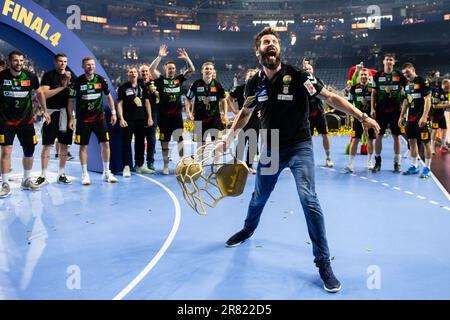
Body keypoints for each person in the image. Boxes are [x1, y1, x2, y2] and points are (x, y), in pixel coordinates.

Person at [220, 27, 380, 293]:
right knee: (259, 197)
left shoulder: (297, 76)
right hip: (270, 147)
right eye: (265, 42)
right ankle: (248, 230)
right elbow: (246, 114)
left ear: (279, 49)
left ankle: (323, 264)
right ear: (257, 51)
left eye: (274, 41)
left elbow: (330, 98)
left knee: (309, 198)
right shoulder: (254, 83)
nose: (270, 45)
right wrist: (228, 137)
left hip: (299, 146)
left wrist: (362, 117)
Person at [0, 51, 49, 197]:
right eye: (16, 60)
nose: (19, 63)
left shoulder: (31, 76)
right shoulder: (1, 77)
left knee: (29, 150)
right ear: (9, 62)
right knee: (6, 151)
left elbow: (39, 93)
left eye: (21, 60)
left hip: (26, 121)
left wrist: (45, 111)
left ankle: (26, 180)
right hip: (5, 120)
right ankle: (5, 183)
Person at [68, 57, 118, 185]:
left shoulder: (100, 80)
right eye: (88, 65)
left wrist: (113, 113)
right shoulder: (77, 82)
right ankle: (85, 174)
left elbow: (108, 96)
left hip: (99, 119)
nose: (91, 67)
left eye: (92, 64)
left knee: (105, 144)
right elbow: (71, 101)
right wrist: (71, 117)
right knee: (83, 146)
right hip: (83, 120)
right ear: (83, 66)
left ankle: (106, 172)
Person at [149, 45, 195, 174]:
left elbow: (192, 69)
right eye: (169, 68)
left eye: (173, 68)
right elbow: (151, 69)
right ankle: (165, 166)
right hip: (163, 117)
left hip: (177, 116)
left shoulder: (178, 79)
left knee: (180, 141)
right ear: (165, 69)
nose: (172, 70)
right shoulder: (160, 80)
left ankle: (181, 164)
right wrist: (160, 56)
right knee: (165, 142)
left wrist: (187, 58)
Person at [36, 53, 76, 186]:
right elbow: (43, 93)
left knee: (64, 145)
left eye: (65, 61)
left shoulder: (72, 78)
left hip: (66, 114)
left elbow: (71, 100)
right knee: (47, 144)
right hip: (51, 114)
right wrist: (62, 88)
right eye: (60, 61)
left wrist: (72, 118)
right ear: (55, 62)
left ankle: (61, 174)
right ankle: (43, 175)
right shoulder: (49, 76)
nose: (62, 63)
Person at [370, 53, 407, 173]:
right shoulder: (377, 75)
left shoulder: (399, 75)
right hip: (381, 112)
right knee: (378, 136)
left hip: (396, 111)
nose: (389, 61)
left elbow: (406, 90)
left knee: (397, 137)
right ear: (383, 62)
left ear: (394, 62)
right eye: (387, 59)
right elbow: (374, 93)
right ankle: (377, 162)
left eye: (391, 59)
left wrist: (404, 107)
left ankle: (397, 162)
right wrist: (372, 108)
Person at [117, 67, 153, 177]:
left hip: (141, 119)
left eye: (135, 72)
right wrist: (121, 118)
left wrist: (150, 117)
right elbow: (119, 104)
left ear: (137, 74)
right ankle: (127, 166)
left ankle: (140, 165)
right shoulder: (123, 87)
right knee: (126, 143)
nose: (133, 73)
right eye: (130, 72)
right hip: (128, 120)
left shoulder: (142, 86)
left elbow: (147, 102)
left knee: (140, 143)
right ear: (128, 74)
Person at [399, 63, 432, 179]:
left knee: (426, 142)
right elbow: (405, 102)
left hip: (421, 118)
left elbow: (428, 99)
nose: (406, 75)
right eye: (404, 73)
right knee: (412, 142)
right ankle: (414, 166)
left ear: (413, 70)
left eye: (408, 72)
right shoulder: (407, 85)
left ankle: (427, 168)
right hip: (410, 119)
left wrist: (424, 116)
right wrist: (401, 116)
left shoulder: (423, 81)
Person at [186, 62, 227, 149]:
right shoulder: (196, 84)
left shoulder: (218, 85)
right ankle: (200, 162)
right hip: (199, 118)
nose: (208, 70)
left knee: (217, 143)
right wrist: (188, 112)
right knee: (200, 144)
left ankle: (217, 162)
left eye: (210, 69)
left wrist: (225, 114)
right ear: (202, 71)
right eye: (206, 68)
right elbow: (188, 99)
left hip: (215, 118)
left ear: (213, 71)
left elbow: (223, 101)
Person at [227, 68, 260, 174]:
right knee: (241, 142)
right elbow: (229, 99)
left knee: (253, 143)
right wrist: (235, 111)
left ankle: (249, 165)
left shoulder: (262, 89)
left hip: (256, 120)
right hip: (243, 119)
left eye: (253, 75)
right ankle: (238, 164)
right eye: (249, 75)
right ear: (245, 78)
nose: (251, 77)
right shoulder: (240, 88)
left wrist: (263, 111)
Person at [346, 68, 376, 172]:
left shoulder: (373, 88)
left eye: (365, 75)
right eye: (361, 75)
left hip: (370, 119)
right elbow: (349, 104)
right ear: (359, 76)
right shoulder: (353, 88)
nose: (363, 76)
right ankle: (350, 163)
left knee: (370, 140)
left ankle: (369, 161)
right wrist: (349, 117)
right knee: (355, 140)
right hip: (357, 118)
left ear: (369, 76)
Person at [304, 62, 334, 168]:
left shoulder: (318, 80)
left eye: (310, 69)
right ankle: (308, 159)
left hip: (319, 113)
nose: (308, 71)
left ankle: (328, 157)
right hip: (307, 115)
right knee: (307, 138)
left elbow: (317, 93)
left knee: (324, 135)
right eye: (306, 69)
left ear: (313, 70)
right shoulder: (300, 82)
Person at [139, 64, 159, 173]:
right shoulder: (137, 83)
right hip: (140, 114)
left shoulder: (154, 83)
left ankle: (150, 162)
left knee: (151, 139)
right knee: (140, 139)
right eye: (143, 72)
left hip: (154, 113)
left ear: (149, 73)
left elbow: (160, 97)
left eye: (146, 71)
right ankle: (139, 162)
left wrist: (154, 91)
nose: (145, 73)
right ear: (140, 73)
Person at [430, 79, 449, 154]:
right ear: (445, 84)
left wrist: (446, 104)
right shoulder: (436, 92)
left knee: (444, 129)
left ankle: (443, 145)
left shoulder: (446, 92)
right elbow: (435, 106)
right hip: (435, 115)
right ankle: (432, 147)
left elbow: (446, 102)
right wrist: (447, 105)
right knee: (434, 130)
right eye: (448, 86)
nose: (449, 88)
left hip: (441, 114)